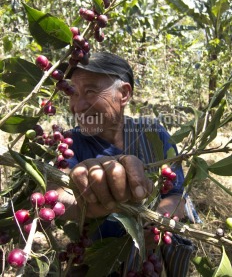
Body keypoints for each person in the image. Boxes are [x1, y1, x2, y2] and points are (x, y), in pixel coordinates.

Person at [54, 51, 196, 276]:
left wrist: (155, 223)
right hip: (96, 263)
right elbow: (58, 195)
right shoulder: (70, 143)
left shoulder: (153, 134)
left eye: (90, 91)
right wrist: (83, 201)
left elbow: (177, 195)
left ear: (124, 93)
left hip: (148, 264)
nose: (77, 106)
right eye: (72, 93)